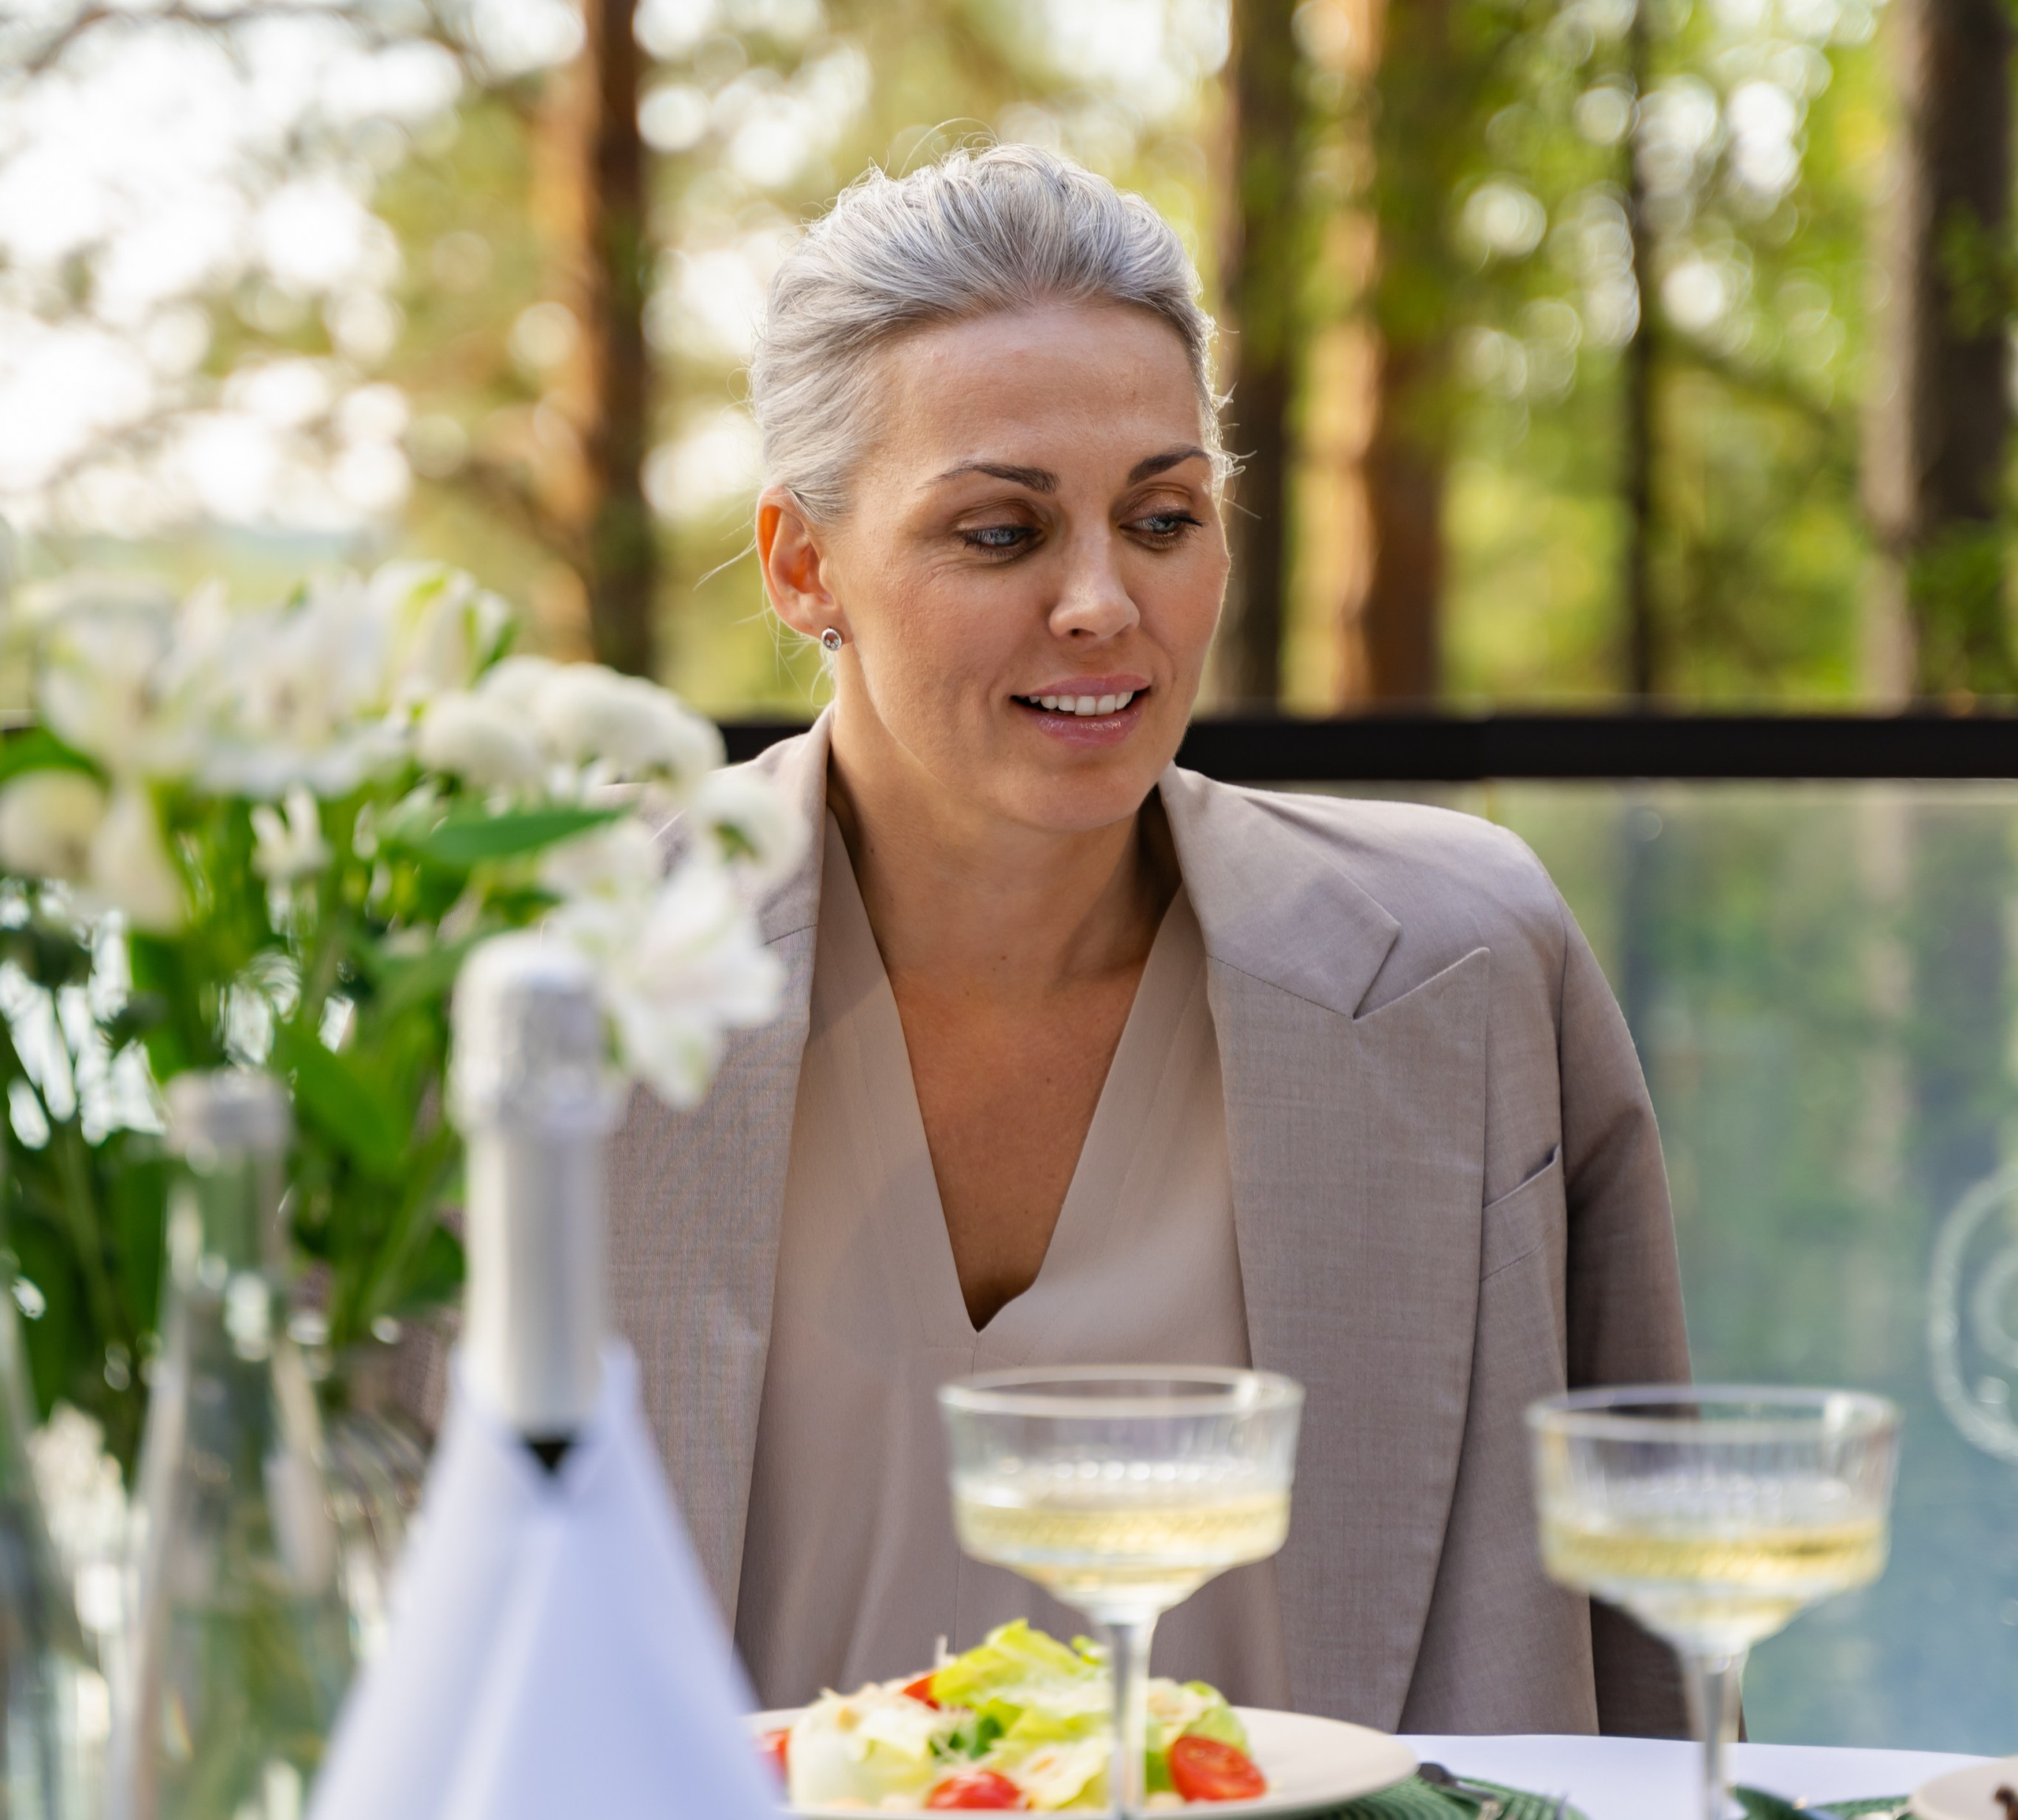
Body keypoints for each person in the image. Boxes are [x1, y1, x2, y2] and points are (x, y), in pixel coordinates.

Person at [611, 145, 1688, 1734]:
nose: (1104, 602)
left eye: (1162, 516)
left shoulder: (1462, 966)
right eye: (1000, 534)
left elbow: (1646, 1621)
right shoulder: (560, 979)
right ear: (800, 563)